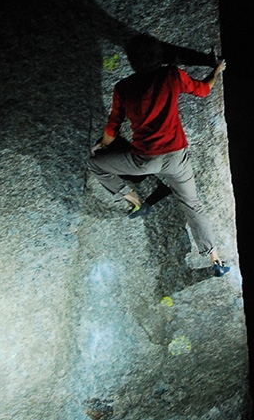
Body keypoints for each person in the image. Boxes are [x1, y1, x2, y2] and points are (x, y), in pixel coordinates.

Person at [87, 34, 230, 275]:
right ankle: (215, 259)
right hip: (177, 159)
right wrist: (216, 71)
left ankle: (134, 201)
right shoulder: (171, 76)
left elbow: (112, 129)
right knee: (192, 206)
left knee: (95, 164)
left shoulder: (123, 88)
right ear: (159, 57)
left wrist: (101, 145)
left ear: (132, 61)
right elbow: (204, 90)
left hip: (144, 161)